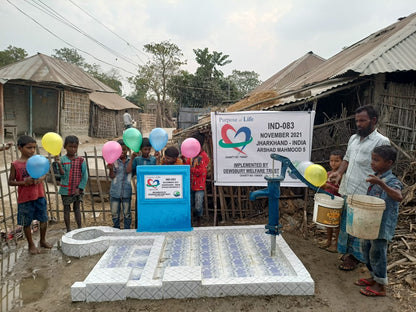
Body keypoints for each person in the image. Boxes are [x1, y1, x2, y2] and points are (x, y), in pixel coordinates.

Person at [329, 105, 390, 271]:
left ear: (373, 120)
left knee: (359, 227)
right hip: (348, 188)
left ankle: (356, 258)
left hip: (365, 192)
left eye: (362, 120)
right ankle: (348, 253)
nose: (359, 124)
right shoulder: (354, 139)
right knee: (347, 225)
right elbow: (347, 160)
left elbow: (385, 168)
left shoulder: (381, 141)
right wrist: (339, 173)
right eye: (357, 121)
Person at [355, 145, 403, 297]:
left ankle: (381, 286)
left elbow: (398, 196)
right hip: (371, 222)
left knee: (377, 252)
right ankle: (373, 277)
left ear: (388, 163)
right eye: (372, 159)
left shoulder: (391, 180)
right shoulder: (377, 176)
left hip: (382, 224)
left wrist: (381, 184)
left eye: (376, 160)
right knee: (366, 248)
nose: (372, 162)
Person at [8, 135, 52, 254]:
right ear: (19, 148)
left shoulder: (38, 161)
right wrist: (24, 182)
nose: (32, 150)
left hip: (39, 196)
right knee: (26, 223)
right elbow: (10, 181)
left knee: (43, 219)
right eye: (29, 148)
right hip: (25, 199)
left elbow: (44, 173)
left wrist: (41, 178)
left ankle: (42, 240)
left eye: (34, 147)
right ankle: (31, 244)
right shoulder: (15, 164)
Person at [55, 135, 88, 232]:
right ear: (65, 146)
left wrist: (80, 187)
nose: (73, 149)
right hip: (66, 189)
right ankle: (68, 229)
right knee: (66, 209)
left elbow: (85, 175)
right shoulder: (61, 160)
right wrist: (59, 165)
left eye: (75, 147)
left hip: (78, 189)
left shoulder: (81, 160)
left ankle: (79, 227)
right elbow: (62, 175)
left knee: (77, 208)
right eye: (70, 147)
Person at [320, 149, 344, 253]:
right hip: (328, 202)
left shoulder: (343, 176)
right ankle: (328, 240)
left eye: (336, 161)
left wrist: (331, 187)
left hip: (338, 203)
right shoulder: (327, 173)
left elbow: (343, 190)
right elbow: (323, 187)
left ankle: (336, 243)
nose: (333, 163)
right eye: (331, 161)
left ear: (343, 162)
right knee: (328, 222)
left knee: (337, 223)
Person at [184, 133, 210, 227]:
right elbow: (185, 166)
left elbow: (201, 171)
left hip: (199, 186)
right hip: (189, 184)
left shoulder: (203, 156)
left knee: (198, 206)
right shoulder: (190, 156)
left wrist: (190, 169)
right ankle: (191, 222)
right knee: (190, 204)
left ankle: (198, 221)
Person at [107, 139, 132, 229]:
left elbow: (129, 171)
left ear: (127, 150)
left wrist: (132, 158)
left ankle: (127, 230)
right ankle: (116, 229)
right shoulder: (114, 161)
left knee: (127, 213)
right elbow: (112, 176)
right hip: (115, 192)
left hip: (127, 192)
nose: (122, 152)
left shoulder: (130, 161)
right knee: (114, 213)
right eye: (120, 150)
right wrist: (110, 169)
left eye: (124, 149)